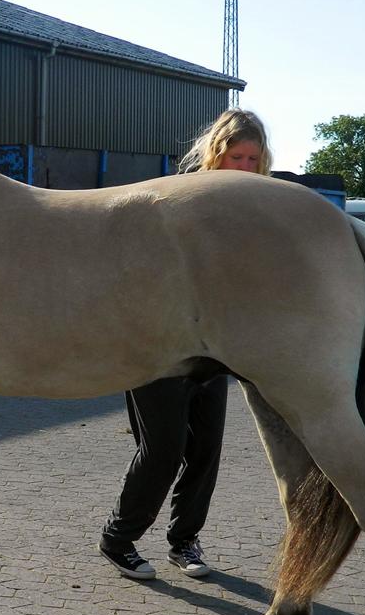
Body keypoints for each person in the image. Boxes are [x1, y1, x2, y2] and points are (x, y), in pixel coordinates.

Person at [99, 109, 272, 581]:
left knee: (205, 452)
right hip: (156, 346)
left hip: (212, 352)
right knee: (164, 450)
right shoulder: (178, 202)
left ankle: (184, 541)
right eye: (235, 156)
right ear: (216, 155)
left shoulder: (258, 211)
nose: (244, 166)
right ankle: (118, 538)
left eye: (252, 158)